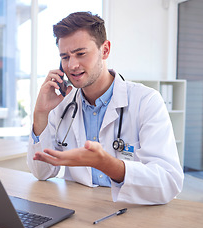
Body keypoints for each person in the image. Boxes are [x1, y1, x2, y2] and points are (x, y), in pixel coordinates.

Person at [27, 11, 184, 205]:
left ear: (105, 50)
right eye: (65, 57)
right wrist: (40, 113)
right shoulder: (62, 105)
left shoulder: (146, 101)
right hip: (79, 210)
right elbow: (41, 173)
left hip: (132, 213)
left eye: (81, 54)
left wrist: (107, 164)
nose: (73, 65)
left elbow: (168, 181)